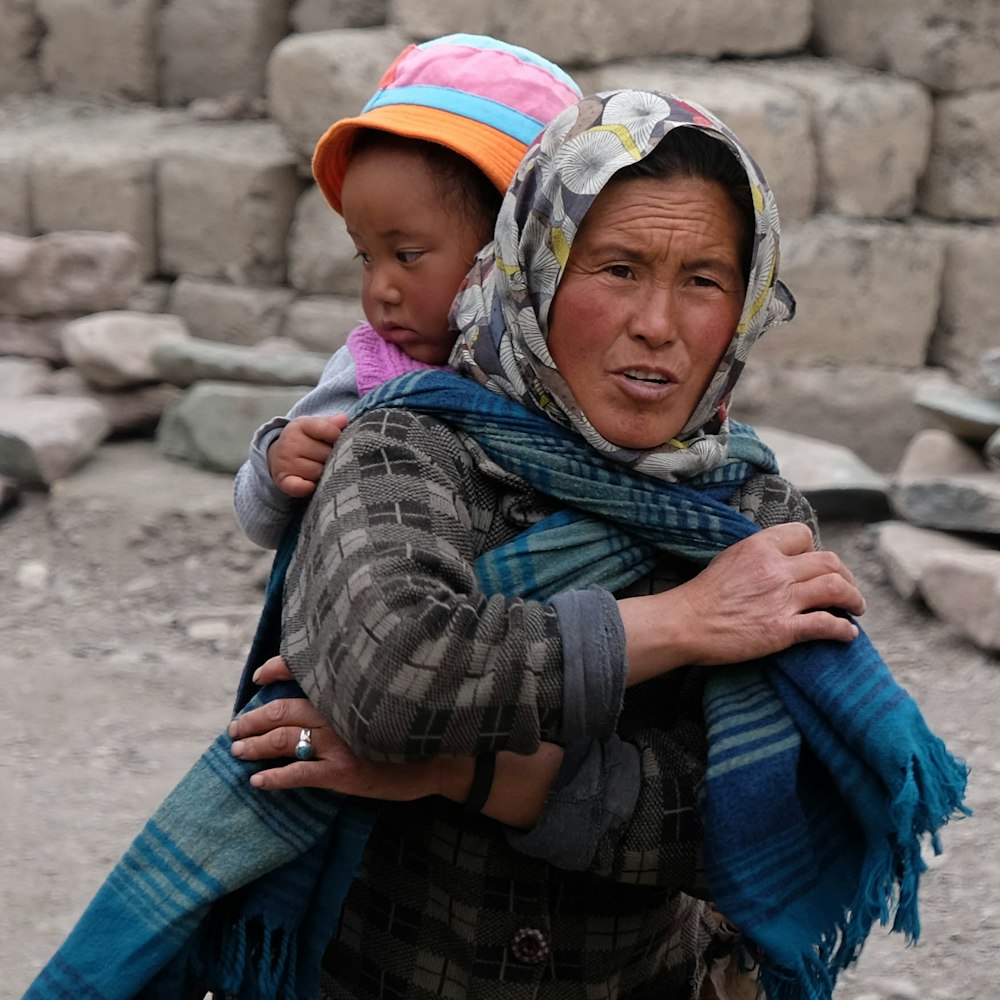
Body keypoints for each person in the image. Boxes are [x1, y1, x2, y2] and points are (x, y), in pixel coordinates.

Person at [25, 91, 966, 1000]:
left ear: (748, 302)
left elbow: (768, 814)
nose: (659, 325)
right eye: (619, 268)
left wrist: (460, 771)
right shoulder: (409, 442)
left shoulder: (751, 512)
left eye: (705, 281)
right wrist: (682, 622)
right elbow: (390, 673)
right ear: (533, 269)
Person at [233, 33, 582, 549]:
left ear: (515, 250)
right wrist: (278, 465)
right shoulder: (370, 374)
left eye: (408, 256)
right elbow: (261, 523)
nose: (380, 290)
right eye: (365, 257)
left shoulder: (576, 371)